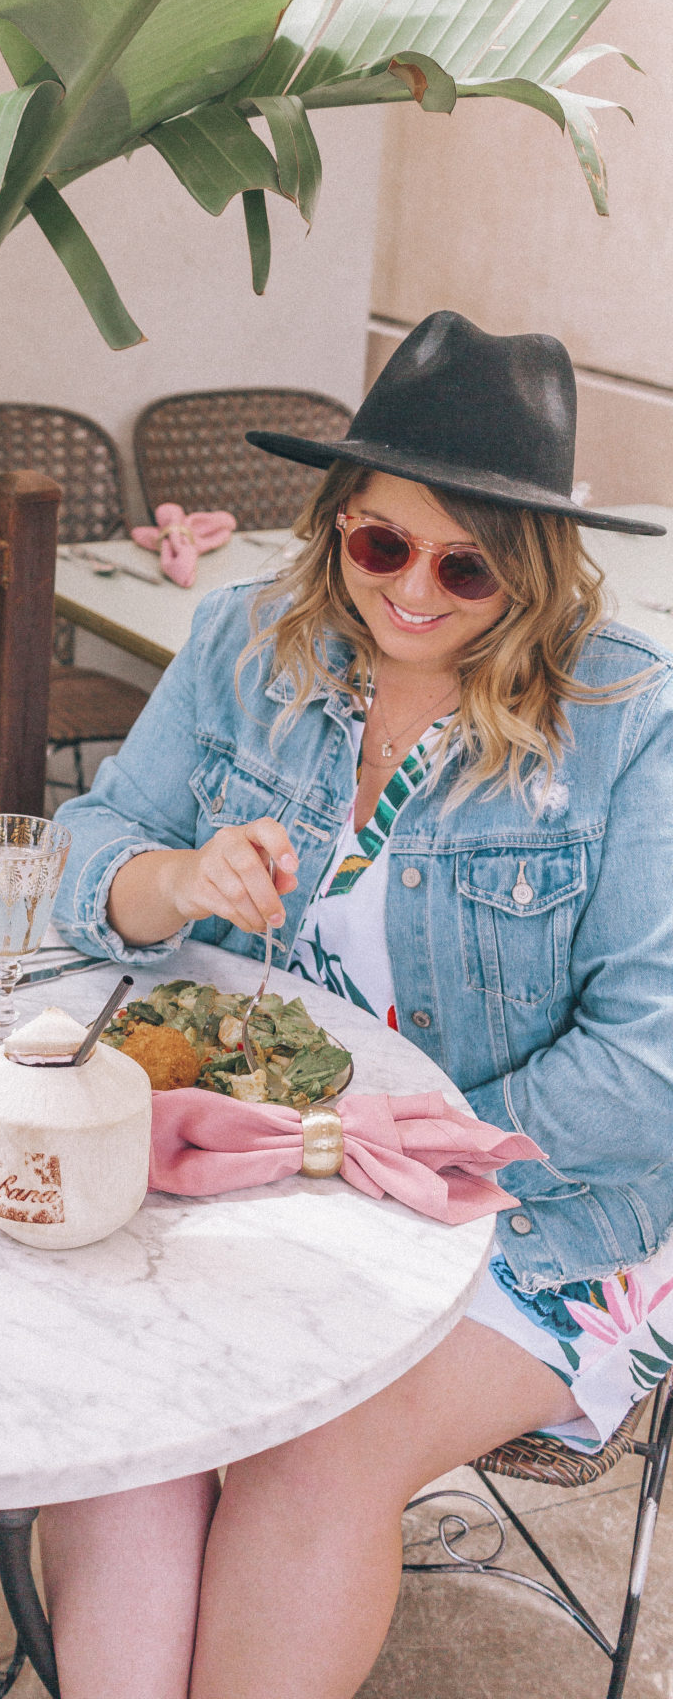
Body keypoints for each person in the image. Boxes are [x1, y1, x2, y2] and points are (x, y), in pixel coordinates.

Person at [44, 311, 673, 1699]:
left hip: (532, 1218)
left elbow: (646, 1083)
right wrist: (178, 874)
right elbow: (81, 859)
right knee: (125, 1401)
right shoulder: (244, 645)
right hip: (259, 1182)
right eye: (381, 544)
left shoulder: (631, 721)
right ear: (337, 522)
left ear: (541, 572)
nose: (414, 593)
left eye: (470, 568)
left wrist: (373, 1151)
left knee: (309, 1438)